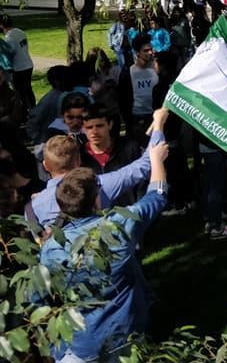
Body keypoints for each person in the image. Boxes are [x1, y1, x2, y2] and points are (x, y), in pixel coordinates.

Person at [39, 137, 169, 362]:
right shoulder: (119, 226)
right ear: (96, 200)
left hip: (79, 346)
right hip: (126, 336)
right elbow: (156, 196)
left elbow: (39, 298)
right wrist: (157, 160)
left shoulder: (51, 249)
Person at [29, 109, 167, 227]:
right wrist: (158, 124)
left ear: (45, 166)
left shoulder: (33, 207)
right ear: (78, 161)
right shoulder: (99, 184)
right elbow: (146, 163)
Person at [1, 14, 35, 108]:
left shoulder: (9, 38)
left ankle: (25, 111)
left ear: (1, 25)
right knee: (28, 90)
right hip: (28, 64)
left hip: (19, 68)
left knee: (20, 93)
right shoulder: (20, 31)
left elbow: (9, 54)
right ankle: (33, 108)